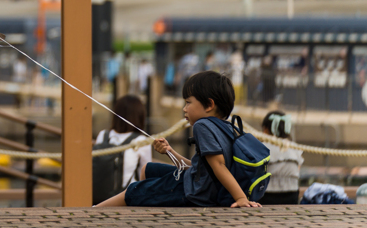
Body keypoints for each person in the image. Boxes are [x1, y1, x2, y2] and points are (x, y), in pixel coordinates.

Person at [95, 71, 262, 208]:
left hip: (194, 192)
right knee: (148, 169)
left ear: (209, 105)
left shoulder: (202, 126)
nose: (184, 108)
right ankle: (149, 206)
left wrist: (240, 198)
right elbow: (201, 168)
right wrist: (170, 151)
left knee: (133, 191)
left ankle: (94, 212)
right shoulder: (225, 127)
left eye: (188, 102)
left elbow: (218, 165)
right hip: (200, 184)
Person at [92, 95, 152, 203]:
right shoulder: (141, 140)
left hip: (97, 198)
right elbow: (145, 175)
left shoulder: (103, 135)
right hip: (124, 200)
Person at [259, 111, 302, 205]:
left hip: (267, 194)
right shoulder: (294, 148)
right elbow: (297, 170)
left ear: (265, 130)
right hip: (292, 194)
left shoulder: (262, 147)